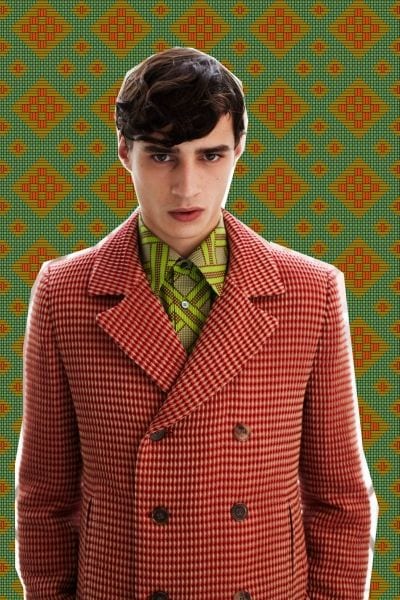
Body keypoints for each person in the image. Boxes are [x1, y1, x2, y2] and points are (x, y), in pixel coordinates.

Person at [15, 46, 378, 600]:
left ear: (239, 150)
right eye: (163, 156)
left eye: (210, 156)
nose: (187, 187)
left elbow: (340, 499)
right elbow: (45, 496)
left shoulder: (311, 291)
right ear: (125, 151)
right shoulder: (64, 293)